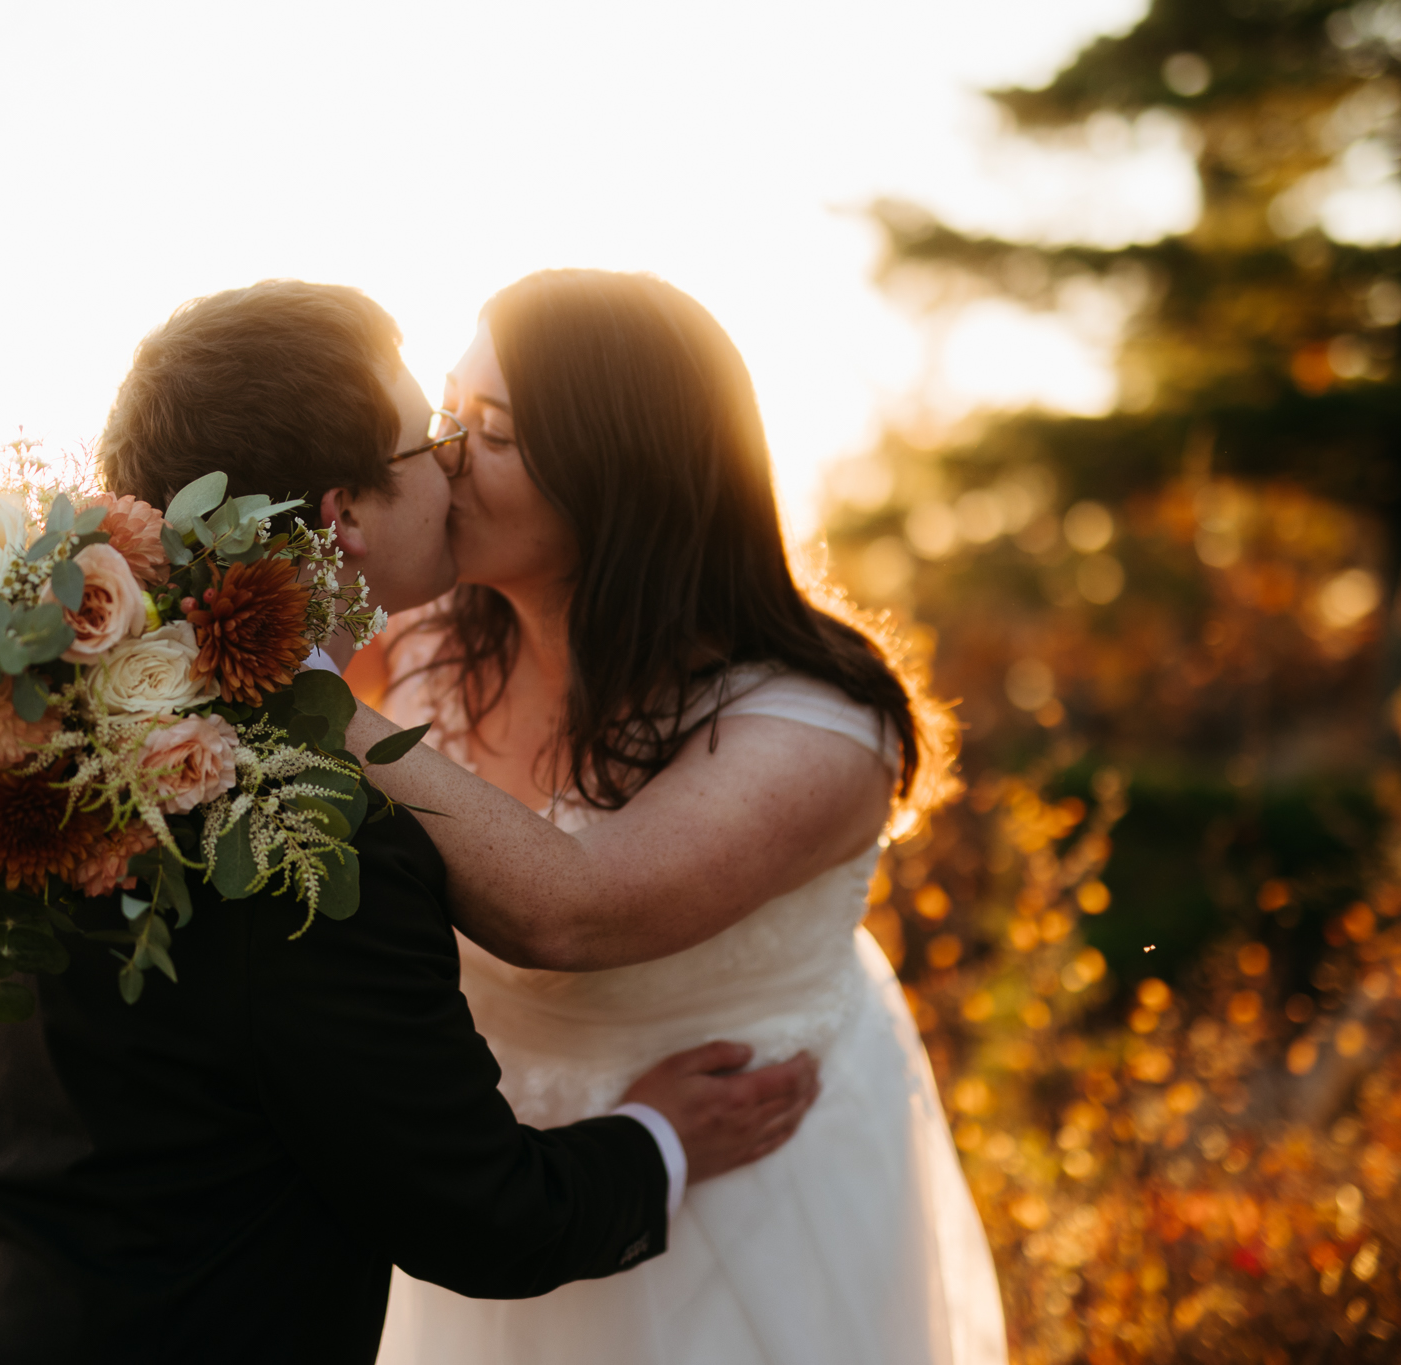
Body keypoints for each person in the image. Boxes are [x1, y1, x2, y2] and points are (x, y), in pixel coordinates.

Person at [0, 280, 820, 1365]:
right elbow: (487, 1217)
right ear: (340, 516)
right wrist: (662, 1139)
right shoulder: (308, 834)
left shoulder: (19, 703)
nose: (452, 462)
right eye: (428, 442)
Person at [345, 270, 1009, 1365]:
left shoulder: (813, 731)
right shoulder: (417, 651)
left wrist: (298, 702)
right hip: (493, 1196)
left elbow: (573, 914)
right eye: (444, 414)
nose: (439, 457)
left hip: (745, 1206)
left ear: (623, 473)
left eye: (491, 431)